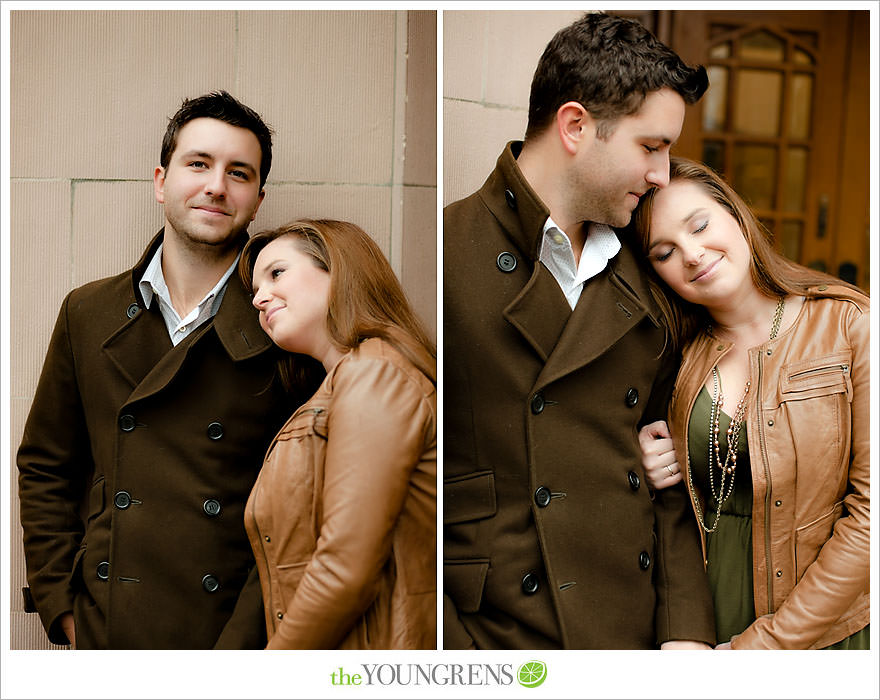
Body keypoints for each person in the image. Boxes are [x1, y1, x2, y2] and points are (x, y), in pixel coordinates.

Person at [443, 12, 716, 649]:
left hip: (630, 628)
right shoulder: (448, 250)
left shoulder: (652, 265)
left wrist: (686, 632)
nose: (663, 175)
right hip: (493, 634)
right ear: (575, 126)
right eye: (651, 147)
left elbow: (665, 463)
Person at [16, 91, 316, 649]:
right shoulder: (88, 312)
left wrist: (247, 647)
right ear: (161, 181)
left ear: (257, 198)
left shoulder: (288, 327)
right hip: (109, 625)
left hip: (229, 633)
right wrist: (62, 606)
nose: (216, 186)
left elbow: (301, 510)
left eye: (239, 173)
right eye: (198, 164)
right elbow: (46, 467)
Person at [634, 156, 869, 649]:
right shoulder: (675, 357)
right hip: (705, 625)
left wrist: (770, 647)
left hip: (819, 628)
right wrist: (646, 463)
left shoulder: (849, 326)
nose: (693, 254)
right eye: (664, 252)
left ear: (735, 215)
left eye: (700, 226)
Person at [239, 219, 437, 649]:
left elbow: (345, 570)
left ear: (339, 269)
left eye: (276, 273)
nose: (258, 298)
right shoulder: (349, 380)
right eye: (255, 289)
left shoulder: (374, 374)